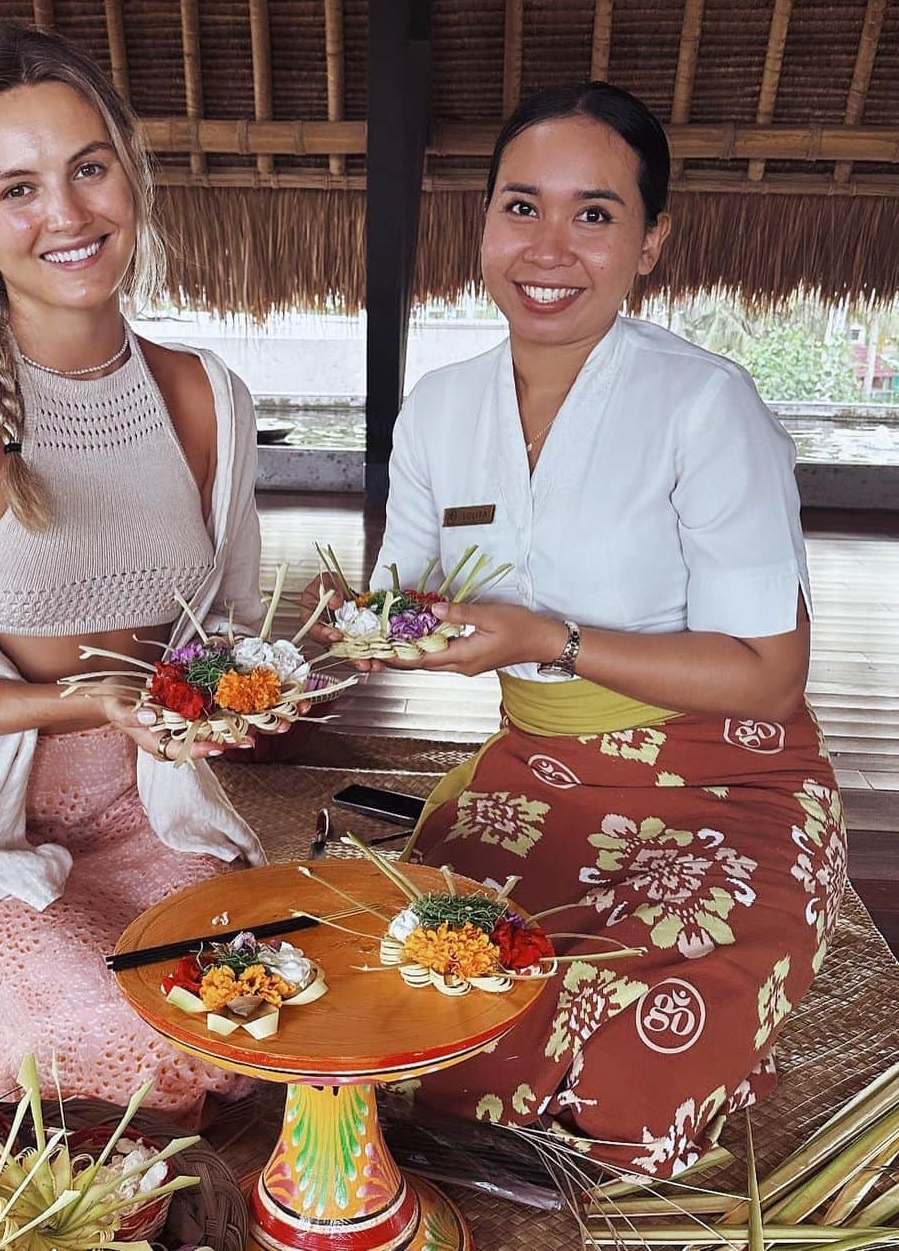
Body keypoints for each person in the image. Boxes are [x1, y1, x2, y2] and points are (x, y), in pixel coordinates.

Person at [308, 82, 846, 1177]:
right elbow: (401, 599)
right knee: (421, 990)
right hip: (536, 765)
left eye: (594, 214)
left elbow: (766, 677)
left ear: (650, 243)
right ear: (485, 222)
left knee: (644, 1045)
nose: (550, 247)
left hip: (724, 777)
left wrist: (544, 640)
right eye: (522, 206)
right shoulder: (442, 406)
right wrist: (351, 633)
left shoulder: (707, 404)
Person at [0, 24, 270, 1123]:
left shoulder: (208, 396)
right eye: (17, 188)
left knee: (259, 1001)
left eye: (88, 168)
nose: (68, 216)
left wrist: (230, 699)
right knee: (117, 1033)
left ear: (132, 171)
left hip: (149, 813)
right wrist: (86, 702)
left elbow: (222, 633)